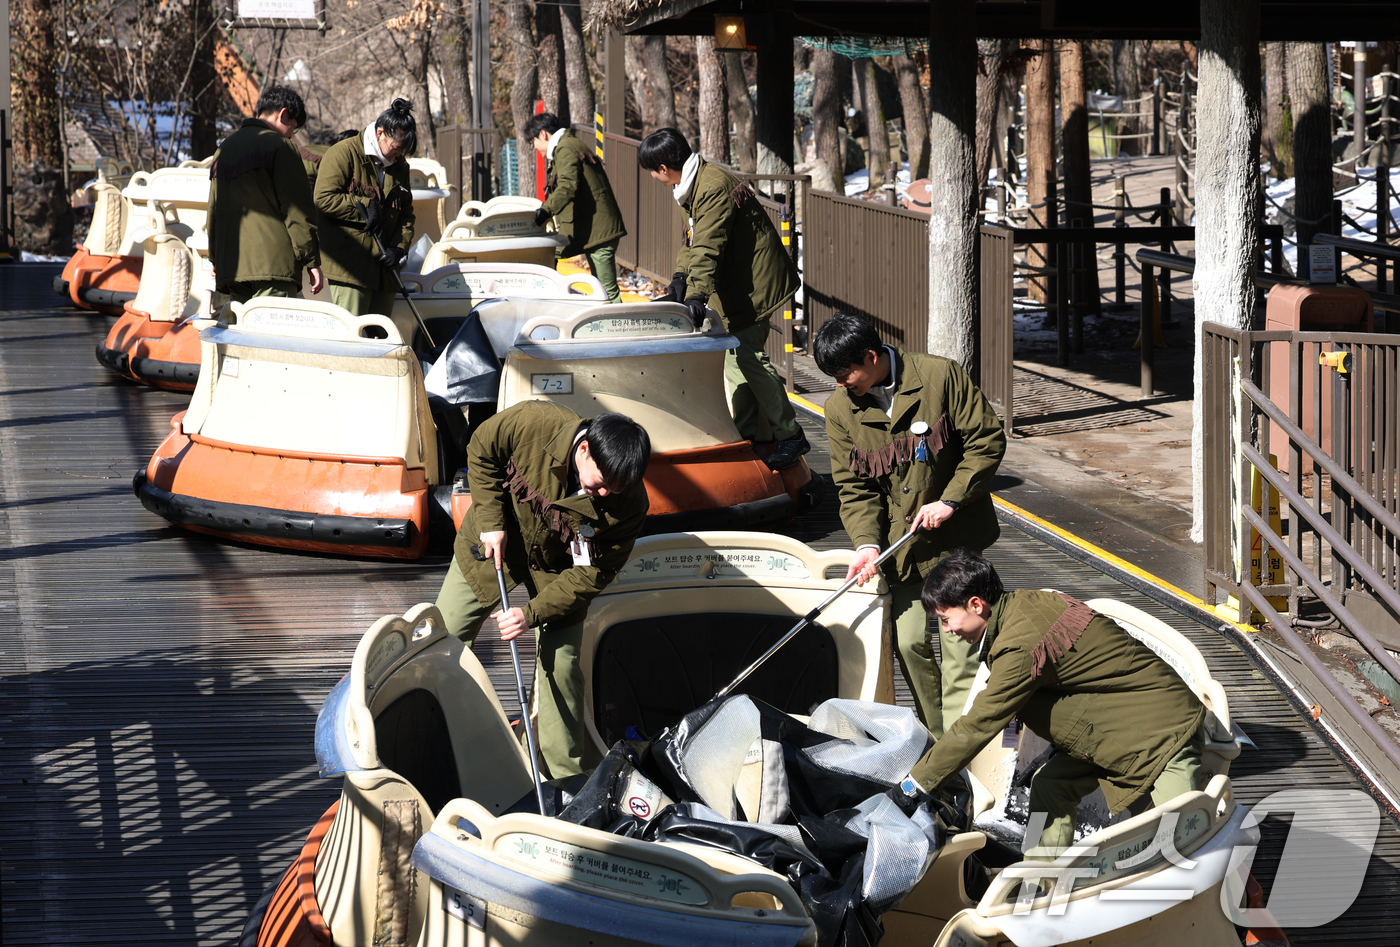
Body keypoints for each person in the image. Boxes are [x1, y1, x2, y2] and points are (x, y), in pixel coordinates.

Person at [901, 549, 1205, 857]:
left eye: (946, 618)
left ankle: (1248, 893)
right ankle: (1037, 875)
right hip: (1119, 728)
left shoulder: (1020, 643)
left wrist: (914, 785)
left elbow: (979, 723)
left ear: (976, 605)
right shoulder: (1021, 607)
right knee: (1050, 785)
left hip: (1164, 732)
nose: (947, 630)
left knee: (1188, 840)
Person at [435, 400, 652, 778]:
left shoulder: (630, 503)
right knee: (444, 638)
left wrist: (531, 615)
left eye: (614, 491)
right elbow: (481, 449)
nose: (604, 497)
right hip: (494, 543)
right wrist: (490, 520)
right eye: (600, 485)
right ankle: (441, 747)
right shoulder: (533, 423)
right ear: (584, 449)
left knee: (562, 665)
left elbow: (593, 574)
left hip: (561, 569)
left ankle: (563, 775)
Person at [814, 311, 1006, 738]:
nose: (844, 385)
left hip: (955, 541)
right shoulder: (839, 409)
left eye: (847, 374)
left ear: (872, 355)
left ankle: (963, 746)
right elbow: (854, 487)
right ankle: (938, 741)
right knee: (909, 643)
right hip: (902, 549)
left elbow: (987, 440)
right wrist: (866, 545)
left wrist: (951, 499)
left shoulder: (940, 376)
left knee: (961, 649)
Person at [637, 127, 808, 471]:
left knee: (748, 355)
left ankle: (790, 435)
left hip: (755, 283)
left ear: (663, 167)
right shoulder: (694, 183)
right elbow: (695, 241)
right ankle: (748, 435)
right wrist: (680, 280)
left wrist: (696, 292)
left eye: (652, 172)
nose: (655, 178)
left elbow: (709, 245)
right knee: (735, 360)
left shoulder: (711, 187)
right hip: (739, 282)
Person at [207, 85, 324, 304]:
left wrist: (215, 256)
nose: (292, 134)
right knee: (273, 334)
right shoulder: (281, 147)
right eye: (294, 128)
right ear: (283, 114)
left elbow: (213, 207)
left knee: (241, 335)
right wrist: (311, 261)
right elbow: (297, 209)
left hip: (232, 265)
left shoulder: (223, 148)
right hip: (274, 267)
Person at [314, 98, 417, 316]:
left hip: (386, 272)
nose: (398, 155)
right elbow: (323, 198)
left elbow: (407, 214)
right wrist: (364, 206)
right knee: (352, 339)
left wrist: (398, 248)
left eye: (403, 151)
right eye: (397, 148)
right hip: (352, 268)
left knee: (381, 340)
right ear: (380, 133)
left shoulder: (400, 167)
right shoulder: (343, 153)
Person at [523, 113, 627, 304]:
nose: (535, 147)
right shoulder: (567, 145)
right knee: (547, 253)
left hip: (599, 231)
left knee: (607, 292)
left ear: (544, 134)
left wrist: (546, 210)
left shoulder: (565, 149)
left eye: (534, 141)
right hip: (593, 228)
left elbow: (568, 185)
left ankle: (620, 328)